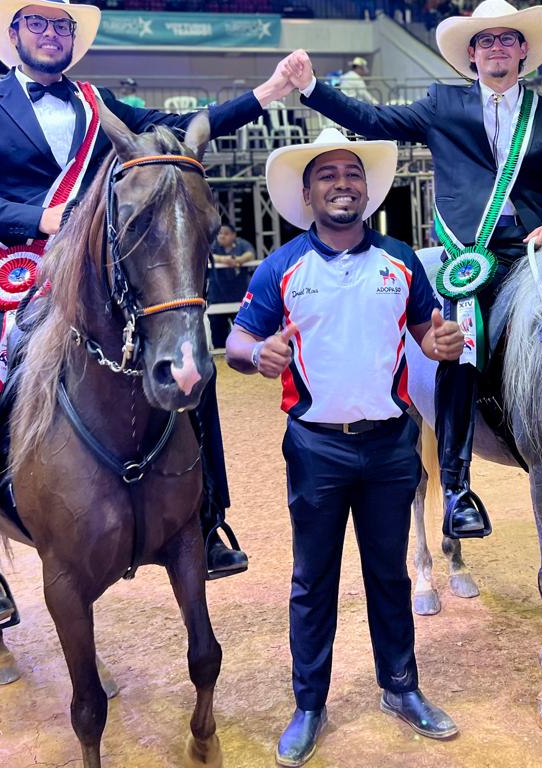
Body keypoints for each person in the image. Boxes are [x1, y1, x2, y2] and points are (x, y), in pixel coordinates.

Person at [0, 0, 300, 637]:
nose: (51, 36)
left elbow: (190, 125)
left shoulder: (104, 106)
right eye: (38, 25)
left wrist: (267, 94)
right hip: (16, 275)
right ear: (14, 35)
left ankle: (208, 517)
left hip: (98, 278)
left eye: (62, 27)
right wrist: (37, 218)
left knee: (192, 368)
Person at [283, 0, 542, 539]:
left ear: (523, 51)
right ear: (472, 55)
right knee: (460, 343)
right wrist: (311, 89)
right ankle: (457, 486)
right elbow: (373, 119)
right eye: (486, 41)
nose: (497, 48)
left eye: (507, 39)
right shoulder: (443, 105)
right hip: (470, 260)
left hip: (537, 251)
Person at [226, 130, 464, 766]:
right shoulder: (281, 268)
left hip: (391, 445)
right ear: (307, 194)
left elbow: (426, 328)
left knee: (388, 574)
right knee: (313, 579)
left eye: (352, 173)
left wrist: (439, 343)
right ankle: (310, 703)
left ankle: (401, 688)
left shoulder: (402, 262)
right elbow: (237, 344)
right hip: (316, 448)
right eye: (326, 174)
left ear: (367, 189)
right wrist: (258, 355)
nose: (341, 183)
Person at [207, 225, 255, 349]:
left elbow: (250, 254)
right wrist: (224, 260)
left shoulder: (242, 244)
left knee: (244, 334)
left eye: (226, 233)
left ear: (234, 235)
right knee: (218, 338)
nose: (222, 236)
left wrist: (238, 260)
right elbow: (207, 255)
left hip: (239, 297)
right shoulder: (212, 245)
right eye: (219, 233)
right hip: (217, 297)